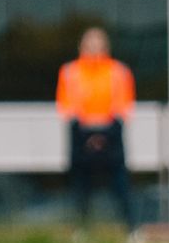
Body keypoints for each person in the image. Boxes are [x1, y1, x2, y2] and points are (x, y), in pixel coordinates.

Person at [56, 27, 136, 226]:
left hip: (111, 135)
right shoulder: (69, 71)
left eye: (98, 43)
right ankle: (81, 230)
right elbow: (66, 106)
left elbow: (124, 105)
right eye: (90, 43)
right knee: (81, 188)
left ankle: (131, 229)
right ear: (81, 46)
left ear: (106, 46)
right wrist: (85, 132)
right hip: (81, 135)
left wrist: (105, 133)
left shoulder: (119, 71)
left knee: (121, 187)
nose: (94, 48)